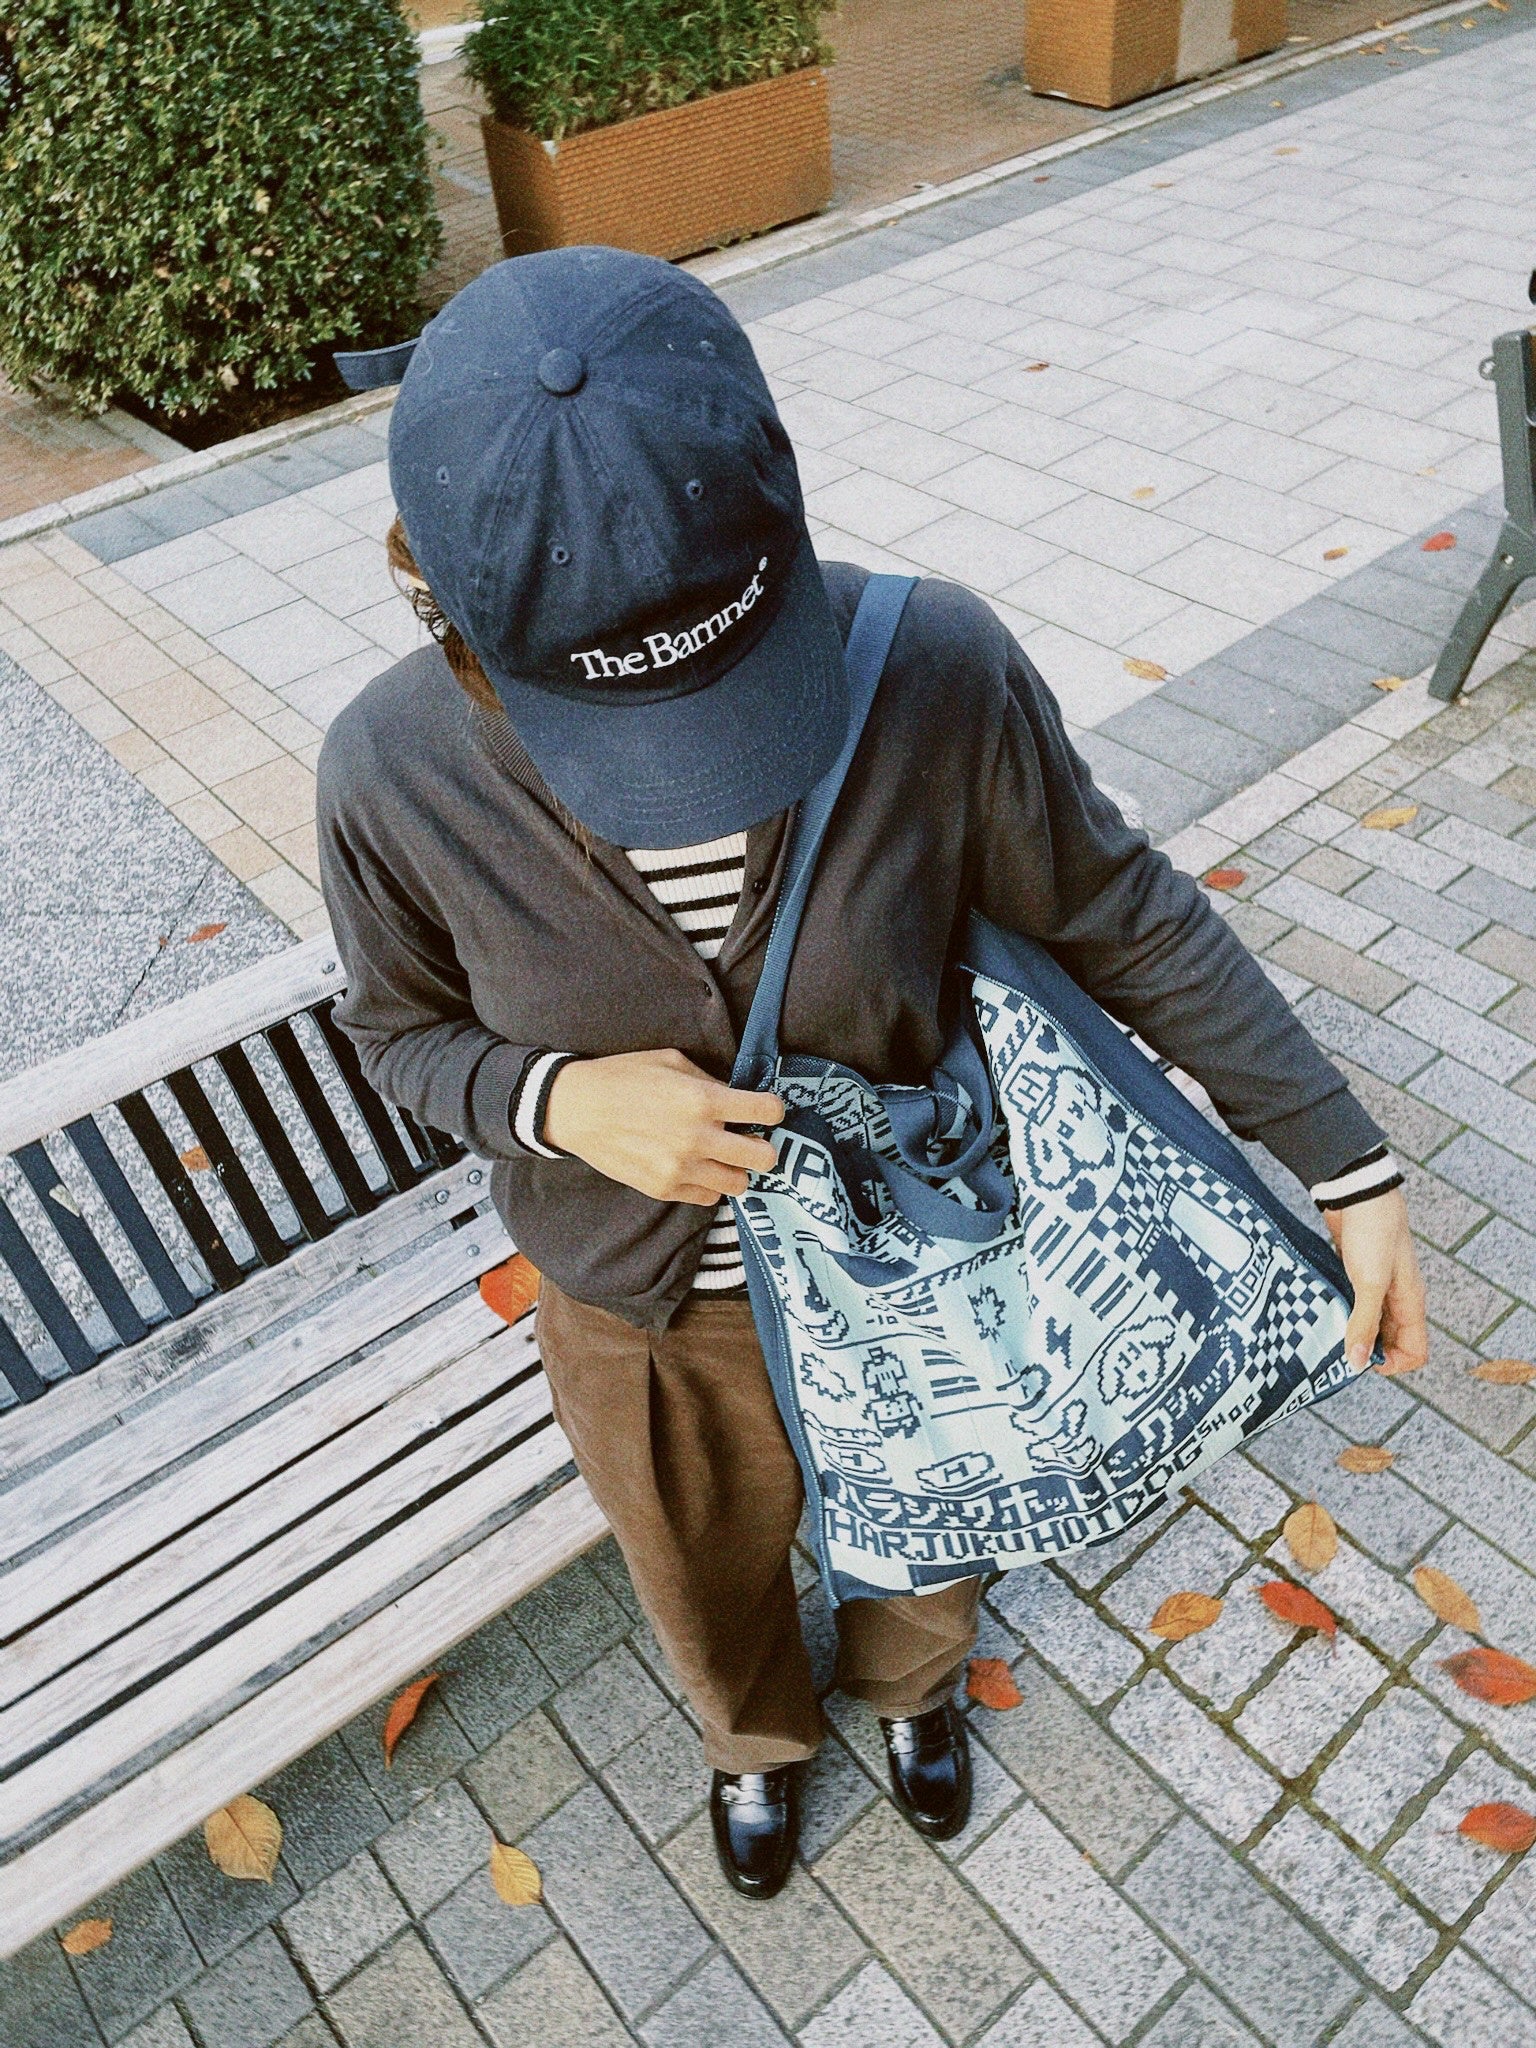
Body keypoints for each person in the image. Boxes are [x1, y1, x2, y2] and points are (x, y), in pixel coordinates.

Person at [316, 247, 1428, 1901]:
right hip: (647, 1307)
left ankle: (915, 1688)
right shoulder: (391, 769)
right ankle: (757, 1740)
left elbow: (1118, 908)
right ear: (447, 607)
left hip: (922, 1261)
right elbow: (396, 1030)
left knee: (937, 1512)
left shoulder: (932, 667)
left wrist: (1346, 1161)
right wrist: (561, 1105)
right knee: (699, 1565)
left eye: (727, 687)